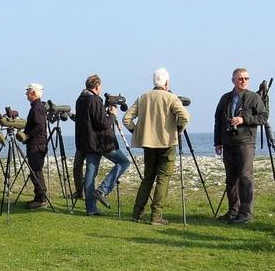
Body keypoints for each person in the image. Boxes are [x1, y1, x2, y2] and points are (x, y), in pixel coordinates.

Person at [123, 68, 190, 226]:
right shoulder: (171, 97)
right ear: (166, 82)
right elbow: (185, 116)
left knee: (147, 179)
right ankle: (156, 216)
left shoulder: (143, 97)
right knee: (163, 179)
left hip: (148, 144)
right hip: (167, 143)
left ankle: (137, 213)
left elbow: (126, 119)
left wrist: (137, 131)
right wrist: (178, 129)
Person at [213, 68, 269, 224]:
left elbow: (263, 117)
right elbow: (218, 120)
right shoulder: (225, 98)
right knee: (231, 178)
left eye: (246, 78)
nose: (243, 81)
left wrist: (244, 119)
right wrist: (217, 141)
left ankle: (246, 213)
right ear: (233, 80)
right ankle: (233, 211)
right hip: (228, 142)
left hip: (245, 142)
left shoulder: (254, 97)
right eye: (240, 79)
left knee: (245, 177)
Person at [75, 74, 131, 216]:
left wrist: (104, 109)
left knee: (90, 173)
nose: (101, 89)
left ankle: (91, 209)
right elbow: (102, 123)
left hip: (88, 143)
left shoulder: (81, 99)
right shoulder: (94, 100)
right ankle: (102, 190)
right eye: (100, 86)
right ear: (97, 86)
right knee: (124, 162)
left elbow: (92, 119)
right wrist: (112, 115)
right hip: (101, 142)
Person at [23, 83, 49, 209]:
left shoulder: (37, 107)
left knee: (36, 171)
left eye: (27, 92)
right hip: (38, 143)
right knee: (36, 171)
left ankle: (41, 199)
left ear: (33, 93)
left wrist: (27, 135)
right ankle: (39, 197)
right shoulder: (38, 106)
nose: (26, 94)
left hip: (36, 144)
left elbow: (40, 126)